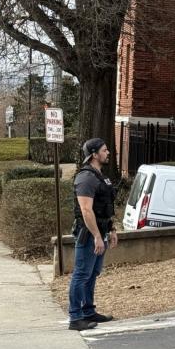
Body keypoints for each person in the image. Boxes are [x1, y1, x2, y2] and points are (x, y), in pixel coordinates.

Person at [68, 138, 118, 331]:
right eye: (105, 150)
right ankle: (75, 317)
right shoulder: (86, 178)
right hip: (88, 234)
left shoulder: (100, 176)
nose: (108, 153)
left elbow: (105, 208)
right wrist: (97, 235)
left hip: (101, 231)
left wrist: (111, 230)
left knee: (92, 274)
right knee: (81, 274)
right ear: (94, 154)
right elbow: (86, 210)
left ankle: (88, 311)